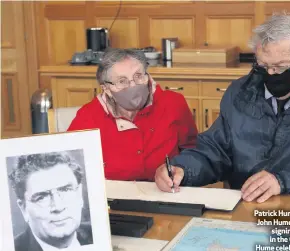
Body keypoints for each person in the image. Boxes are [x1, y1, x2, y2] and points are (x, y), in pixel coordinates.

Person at [155, 12, 290, 202]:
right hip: (245, 209)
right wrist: (183, 168)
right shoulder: (241, 92)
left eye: (280, 67)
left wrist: (283, 182)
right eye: (264, 66)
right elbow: (216, 149)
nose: (271, 74)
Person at [68, 48, 198, 181]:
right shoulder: (88, 117)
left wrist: (180, 172)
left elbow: (193, 152)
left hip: (165, 195)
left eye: (138, 76)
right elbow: (70, 165)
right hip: (113, 198)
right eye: (122, 81)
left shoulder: (173, 104)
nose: (133, 86)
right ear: (106, 89)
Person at [8, 152, 93, 251]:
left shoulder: (98, 234)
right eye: (42, 197)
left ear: (79, 195)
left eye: (66, 190)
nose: (58, 206)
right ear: (24, 208)